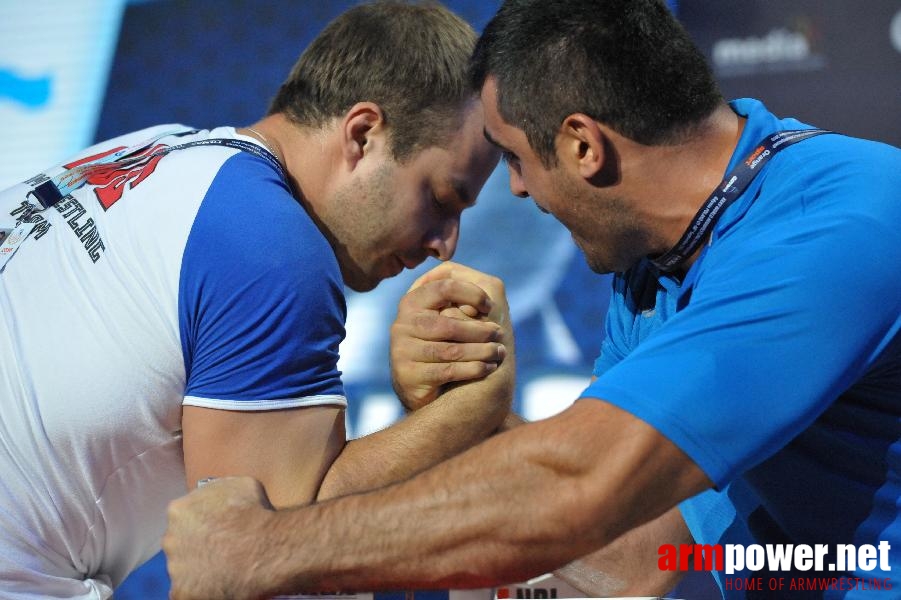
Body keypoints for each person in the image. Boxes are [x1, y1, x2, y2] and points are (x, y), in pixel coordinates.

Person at [162, 0, 901, 599]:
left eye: (515, 159)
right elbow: (633, 557)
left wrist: (266, 548)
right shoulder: (659, 263)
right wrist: (467, 410)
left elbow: (579, 484)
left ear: (582, 146)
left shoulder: (840, 223)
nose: (517, 190)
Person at [0, 2, 511, 598]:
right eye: (441, 199)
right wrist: (469, 411)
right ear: (363, 134)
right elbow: (270, 558)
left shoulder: (158, 152)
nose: (444, 244)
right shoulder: (271, 247)